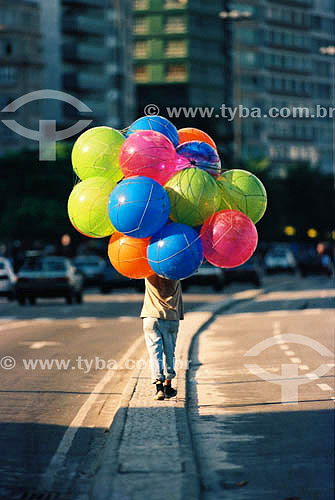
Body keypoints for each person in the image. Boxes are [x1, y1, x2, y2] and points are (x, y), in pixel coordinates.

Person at [141, 274, 184, 400]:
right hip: (171, 317)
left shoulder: (148, 272)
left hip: (151, 316)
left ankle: (159, 387)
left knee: (155, 352)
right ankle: (168, 385)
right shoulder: (177, 272)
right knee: (169, 353)